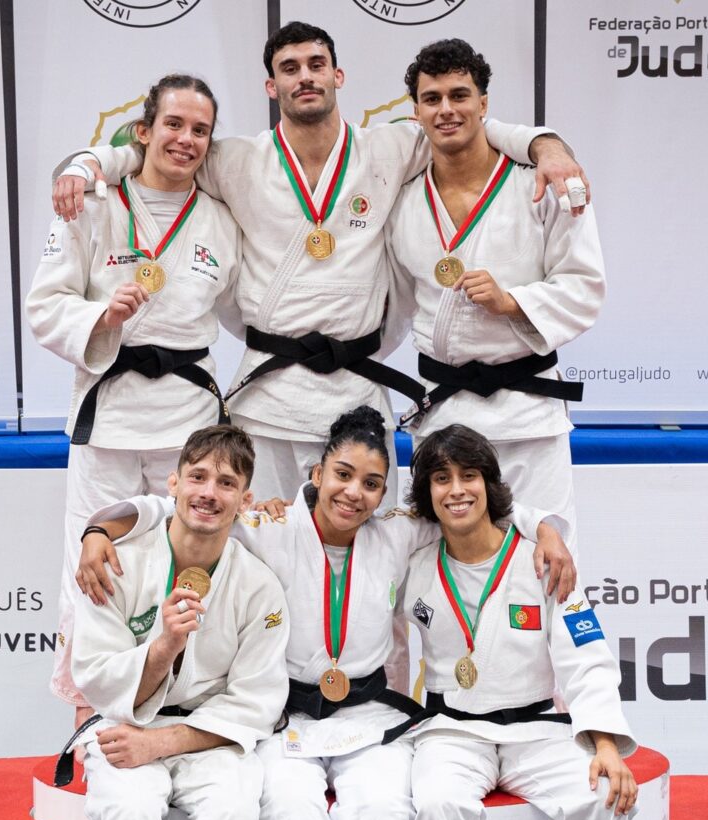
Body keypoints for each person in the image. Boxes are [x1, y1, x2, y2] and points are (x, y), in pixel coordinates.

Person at [52, 22, 593, 504]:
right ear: (272, 86)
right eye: (289, 68)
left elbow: (465, 128)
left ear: (338, 75)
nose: (304, 77)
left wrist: (545, 145)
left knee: (371, 558)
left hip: (356, 391)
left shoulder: (390, 148)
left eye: (316, 65)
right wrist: (91, 160)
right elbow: (165, 152)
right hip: (268, 399)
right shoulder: (235, 159)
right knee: (262, 552)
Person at [76, 406, 576, 820]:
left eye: (372, 483)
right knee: (291, 816)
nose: (354, 492)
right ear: (316, 475)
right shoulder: (267, 525)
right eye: (342, 475)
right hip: (288, 714)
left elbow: (471, 508)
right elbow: (194, 507)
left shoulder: (399, 533)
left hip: (368, 711)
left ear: (384, 494)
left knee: (381, 812)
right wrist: (100, 531)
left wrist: (546, 529)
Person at [27, 74, 242, 728]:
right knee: (94, 569)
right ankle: (91, 719)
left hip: (189, 426)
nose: (185, 139)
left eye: (199, 130)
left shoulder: (221, 219)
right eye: (173, 124)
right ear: (143, 131)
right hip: (111, 420)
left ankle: (182, 710)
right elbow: (44, 306)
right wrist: (101, 315)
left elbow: (244, 311)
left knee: (185, 568)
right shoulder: (94, 204)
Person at [387, 39, 605, 557]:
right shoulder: (403, 197)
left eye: (460, 95)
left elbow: (585, 286)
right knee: (438, 566)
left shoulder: (545, 185)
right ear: (415, 111)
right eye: (432, 98)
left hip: (526, 415)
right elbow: (392, 302)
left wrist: (513, 302)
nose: (447, 110)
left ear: (484, 104)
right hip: (441, 415)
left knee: (548, 560)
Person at [401, 425, 635, 820]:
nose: (457, 491)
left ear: (488, 484)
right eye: (441, 478)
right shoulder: (413, 563)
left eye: (469, 475)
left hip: (537, 731)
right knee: (436, 807)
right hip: (451, 731)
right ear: (427, 492)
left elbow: (587, 660)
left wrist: (605, 744)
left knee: (602, 795)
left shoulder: (543, 561)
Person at [63, 424, 290, 820]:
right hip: (125, 729)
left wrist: (163, 742)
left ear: (245, 501)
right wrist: (164, 646)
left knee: (233, 813)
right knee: (129, 812)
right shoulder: (118, 562)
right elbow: (95, 674)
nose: (209, 493)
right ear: (174, 483)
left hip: (209, 737)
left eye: (227, 484)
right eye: (198, 477)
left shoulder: (259, 586)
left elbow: (255, 702)